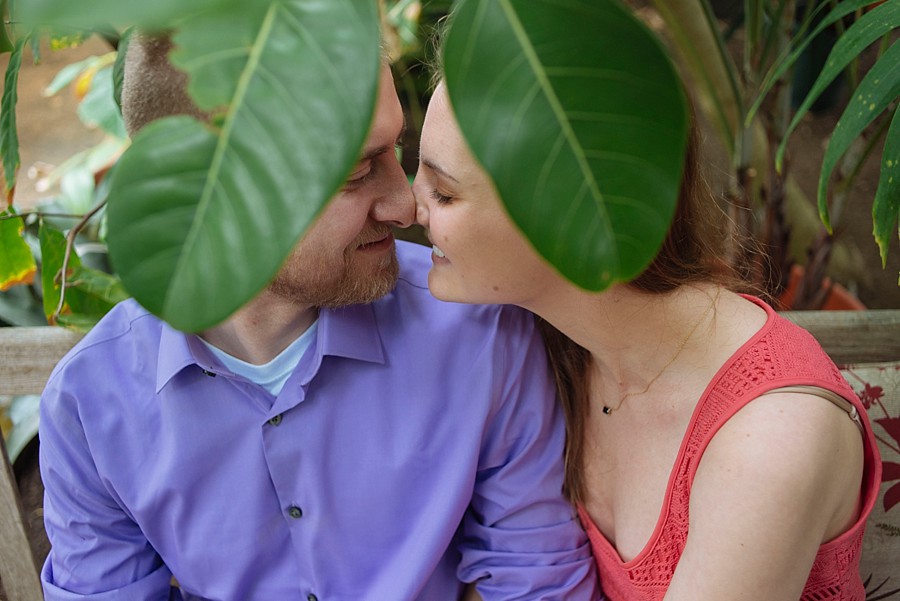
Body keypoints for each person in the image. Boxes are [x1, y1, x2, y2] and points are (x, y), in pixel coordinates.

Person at [38, 33, 600, 600]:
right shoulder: (91, 405)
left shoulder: (478, 329)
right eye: (356, 174)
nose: (406, 206)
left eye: (394, 152)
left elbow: (535, 581)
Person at [413, 80, 882, 600]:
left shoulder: (767, 439)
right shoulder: (546, 340)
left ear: (575, 218)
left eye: (444, 192)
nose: (409, 207)